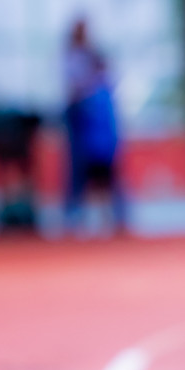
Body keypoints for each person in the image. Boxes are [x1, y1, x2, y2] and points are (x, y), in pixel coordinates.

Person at [62, 19, 125, 233]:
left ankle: (112, 215)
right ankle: (79, 215)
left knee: (106, 174)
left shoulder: (99, 80)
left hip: (100, 135)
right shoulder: (72, 58)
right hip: (85, 130)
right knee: (83, 172)